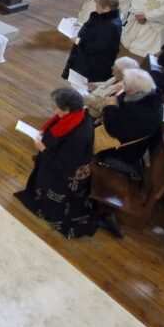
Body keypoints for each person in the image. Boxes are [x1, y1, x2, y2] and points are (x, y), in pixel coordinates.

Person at [17, 87, 116, 238]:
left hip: (64, 174)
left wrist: (43, 149)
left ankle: (47, 209)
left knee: (53, 199)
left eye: (56, 106)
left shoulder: (79, 135)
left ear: (67, 109)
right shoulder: (77, 115)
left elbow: (65, 163)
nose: (54, 109)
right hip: (57, 162)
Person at [95, 69, 162, 178]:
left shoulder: (142, 112)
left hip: (120, 153)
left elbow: (113, 130)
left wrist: (109, 107)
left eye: (124, 84)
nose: (122, 85)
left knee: (80, 138)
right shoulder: (147, 94)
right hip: (124, 139)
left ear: (133, 89)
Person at [63, 0, 122, 83]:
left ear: (106, 8)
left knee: (82, 86)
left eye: (97, 6)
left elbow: (98, 47)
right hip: (85, 58)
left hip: (92, 65)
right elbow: (93, 32)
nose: (95, 8)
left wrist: (78, 41)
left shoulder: (110, 26)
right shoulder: (103, 16)